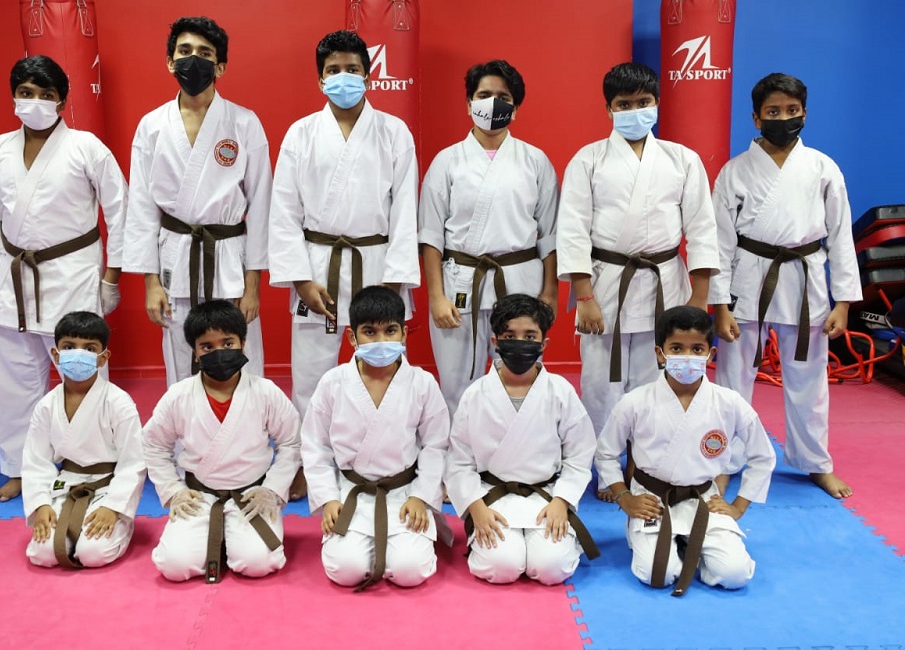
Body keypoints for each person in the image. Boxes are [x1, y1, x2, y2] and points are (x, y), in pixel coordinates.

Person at [556, 62, 718, 500]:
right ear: (608, 108)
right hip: (605, 283)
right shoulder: (588, 160)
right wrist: (583, 295)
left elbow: (703, 229)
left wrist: (699, 299)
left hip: (665, 282)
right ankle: (606, 469)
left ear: (657, 103)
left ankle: (644, 466)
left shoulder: (682, 160)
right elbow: (572, 230)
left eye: (643, 102)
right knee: (600, 386)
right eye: (623, 104)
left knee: (654, 385)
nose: (634, 111)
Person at [0, 55, 127, 502]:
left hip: (72, 273)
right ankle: (20, 469)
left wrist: (111, 277)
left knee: (83, 375)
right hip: (12, 279)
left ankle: (93, 460)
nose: (34, 101)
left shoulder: (86, 148)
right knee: (13, 381)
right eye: (26, 92)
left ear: (61, 100)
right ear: (13, 96)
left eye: (45, 94)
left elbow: (121, 212)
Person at [710, 73, 862, 499]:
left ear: (805, 114)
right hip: (748, 278)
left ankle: (815, 462)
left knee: (809, 379)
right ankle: (725, 462)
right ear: (756, 118)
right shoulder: (735, 172)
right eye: (773, 111)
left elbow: (840, 236)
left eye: (792, 111)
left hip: (805, 277)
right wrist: (719, 304)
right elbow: (719, 242)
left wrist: (844, 301)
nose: (783, 118)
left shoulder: (823, 168)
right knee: (733, 379)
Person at [269, 30, 420, 419]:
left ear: (368, 75)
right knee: (310, 375)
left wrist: (394, 282)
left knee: (382, 364)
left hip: (378, 264)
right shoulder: (300, 134)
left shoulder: (394, 132)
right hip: (318, 266)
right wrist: (300, 280)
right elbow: (284, 211)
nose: (343, 77)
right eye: (333, 70)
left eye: (352, 69)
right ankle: (310, 447)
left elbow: (406, 211)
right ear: (320, 79)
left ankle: (390, 436)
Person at [124, 16, 271, 385]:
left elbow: (262, 204)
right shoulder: (152, 126)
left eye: (205, 53)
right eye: (185, 51)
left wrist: (253, 284)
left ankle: (246, 421)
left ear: (220, 66)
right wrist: (150, 282)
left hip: (229, 257)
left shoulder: (244, 122)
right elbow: (142, 208)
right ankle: (184, 424)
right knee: (180, 355)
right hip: (175, 255)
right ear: (170, 62)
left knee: (240, 353)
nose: (194, 60)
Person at [595, 306, 776, 596]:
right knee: (657, 575)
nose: (687, 357)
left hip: (704, 498)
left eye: (697, 349)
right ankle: (651, 535)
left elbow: (763, 456)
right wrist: (625, 498)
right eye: (676, 348)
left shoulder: (729, 402)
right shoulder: (635, 402)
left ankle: (693, 546)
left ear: (710, 354)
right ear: (660, 353)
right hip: (652, 498)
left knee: (735, 574)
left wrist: (738, 506)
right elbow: (605, 453)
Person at [419, 60, 559, 417]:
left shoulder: (535, 161)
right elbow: (431, 236)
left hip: (520, 281)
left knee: (519, 374)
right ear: (469, 104)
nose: (493, 103)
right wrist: (436, 296)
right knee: (456, 381)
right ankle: (459, 445)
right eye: (483, 95)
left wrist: (550, 292)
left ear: (516, 108)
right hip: (460, 282)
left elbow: (551, 234)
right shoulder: (447, 161)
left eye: (503, 97)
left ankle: (518, 440)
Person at [300, 286, 449, 590]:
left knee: (411, 571)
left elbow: (436, 445)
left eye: (390, 330)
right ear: (351, 337)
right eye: (369, 332)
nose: (381, 341)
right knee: (345, 570)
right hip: (350, 491)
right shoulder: (333, 383)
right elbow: (315, 446)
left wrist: (422, 496)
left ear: (403, 334)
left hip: (404, 493)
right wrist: (328, 498)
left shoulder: (422, 383)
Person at [444, 294, 599, 585]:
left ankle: (558, 540)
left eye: (529, 336)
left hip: (547, 496)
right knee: (501, 566)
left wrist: (562, 501)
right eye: (509, 336)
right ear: (495, 342)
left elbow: (579, 454)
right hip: (492, 497)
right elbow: (459, 461)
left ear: (544, 344)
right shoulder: (476, 394)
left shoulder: (560, 391)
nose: (519, 343)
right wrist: (475, 507)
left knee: (552, 568)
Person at [143, 300, 301, 583]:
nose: (219, 352)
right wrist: (173, 491)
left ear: (243, 343)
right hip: (198, 496)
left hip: (252, 495)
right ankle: (219, 533)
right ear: (195, 351)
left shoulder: (265, 392)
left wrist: (272, 490)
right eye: (207, 346)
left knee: (258, 563)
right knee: (174, 566)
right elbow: (154, 445)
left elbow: (291, 442)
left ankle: (234, 534)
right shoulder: (178, 395)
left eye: (228, 343)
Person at [22, 312, 146, 569]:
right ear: (56, 354)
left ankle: (123, 526)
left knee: (93, 554)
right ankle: (67, 521)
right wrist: (41, 504)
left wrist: (114, 507)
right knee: (43, 554)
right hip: (65, 485)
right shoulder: (47, 405)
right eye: (69, 347)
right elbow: (36, 461)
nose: (78, 354)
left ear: (103, 358)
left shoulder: (118, 402)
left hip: (108, 486)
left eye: (89, 348)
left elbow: (133, 462)